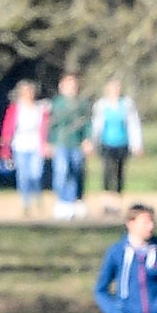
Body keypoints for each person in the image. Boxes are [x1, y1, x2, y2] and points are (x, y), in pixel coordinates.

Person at [4, 80, 49, 216]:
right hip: (20, 145)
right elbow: (8, 128)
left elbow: (45, 127)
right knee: (23, 176)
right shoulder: (15, 109)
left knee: (36, 174)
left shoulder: (40, 108)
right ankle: (25, 203)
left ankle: (37, 198)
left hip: (35, 145)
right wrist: (6, 147)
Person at [49, 70, 91, 216]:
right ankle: (62, 201)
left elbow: (87, 124)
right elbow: (51, 125)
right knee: (62, 172)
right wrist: (49, 142)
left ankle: (72, 201)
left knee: (75, 172)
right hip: (61, 143)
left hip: (77, 144)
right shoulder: (56, 104)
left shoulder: (82, 104)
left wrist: (87, 139)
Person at [92, 77, 142, 198]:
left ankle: (118, 196)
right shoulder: (101, 105)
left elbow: (133, 124)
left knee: (120, 171)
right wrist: (94, 143)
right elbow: (96, 125)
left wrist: (137, 144)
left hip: (122, 142)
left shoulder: (127, 104)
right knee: (107, 171)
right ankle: (106, 197)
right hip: (106, 143)